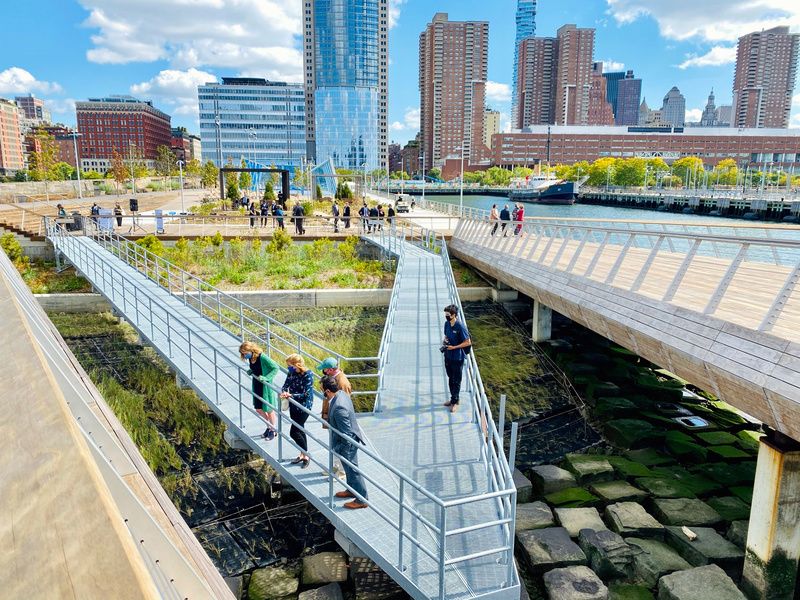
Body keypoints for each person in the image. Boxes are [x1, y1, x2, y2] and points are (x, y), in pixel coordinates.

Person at [321, 376, 368, 509]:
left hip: (348, 443)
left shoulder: (339, 407)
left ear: (328, 391)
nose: (322, 393)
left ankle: (361, 499)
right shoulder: (341, 393)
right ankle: (351, 490)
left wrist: (340, 448)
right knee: (348, 469)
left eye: (322, 390)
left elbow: (346, 434)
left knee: (353, 469)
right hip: (348, 440)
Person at [317, 357, 351, 479]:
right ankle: (335, 467)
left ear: (331, 369)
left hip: (338, 420)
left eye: (325, 370)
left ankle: (342, 471)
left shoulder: (342, 382)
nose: (324, 372)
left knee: (340, 444)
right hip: (331, 416)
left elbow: (345, 403)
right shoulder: (334, 379)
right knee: (333, 444)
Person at [281, 354, 314, 468]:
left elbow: (306, 394)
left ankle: (306, 455)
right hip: (293, 404)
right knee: (300, 429)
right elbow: (285, 385)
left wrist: (291, 395)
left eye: (290, 365)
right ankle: (302, 454)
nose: (288, 368)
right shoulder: (291, 373)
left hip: (304, 406)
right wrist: (285, 392)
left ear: (297, 365)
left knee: (294, 432)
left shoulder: (308, 375)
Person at [239, 341, 279, 439]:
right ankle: (269, 426)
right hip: (257, 384)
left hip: (265, 386)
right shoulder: (251, 358)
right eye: (243, 353)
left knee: (269, 409)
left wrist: (266, 378)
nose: (244, 355)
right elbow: (257, 368)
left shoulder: (262, 357)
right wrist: (252, 371)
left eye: (245, 353)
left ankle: (273, 430)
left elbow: (275, 368)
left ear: (251, 350)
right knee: (258, 408)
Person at [441, 304, 472, 413]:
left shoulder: (460, 326)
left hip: (457, 357)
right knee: (450, 377)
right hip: (448, 355)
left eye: (448, 314)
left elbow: (468, 342)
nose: (446, 316)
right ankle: (452, 399)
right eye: (445, 314)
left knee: (456, 379)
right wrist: (445, 341)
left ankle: (455, 401)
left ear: (454, 315)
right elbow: (446, 335)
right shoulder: (447, 324)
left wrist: (454, 347)